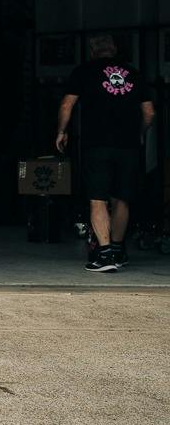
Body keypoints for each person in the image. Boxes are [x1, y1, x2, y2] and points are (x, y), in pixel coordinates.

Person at [57, 35, 156, 273]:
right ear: (114, 50)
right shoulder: (134, 73)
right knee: (122, 198)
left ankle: (104, 254)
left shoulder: (84, 71)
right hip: (129, 145)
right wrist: (139, 133)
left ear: (92, 51)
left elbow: (66, 105)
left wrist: (61, 131)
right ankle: (119, 250)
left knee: (98, 198)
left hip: (97, 144)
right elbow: (149, 112)